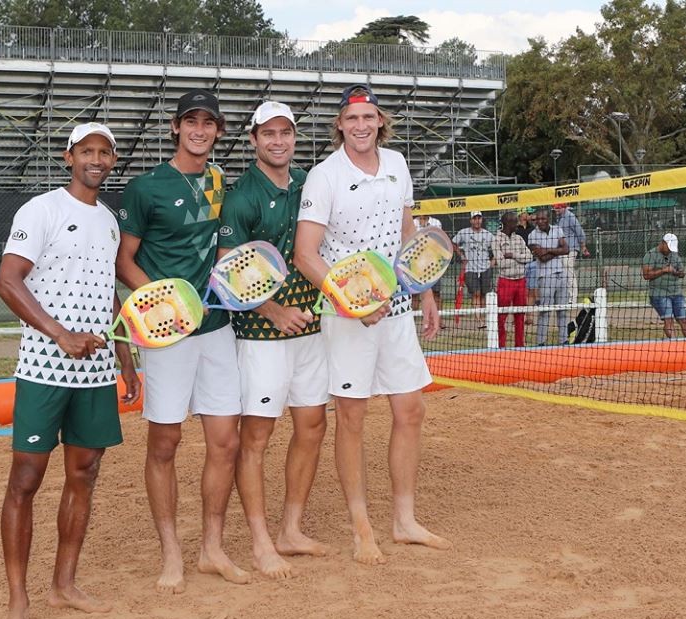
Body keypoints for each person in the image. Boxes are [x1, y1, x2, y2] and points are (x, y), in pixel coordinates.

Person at [0, 122, 141, 619]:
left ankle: (64, 585)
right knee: (26, 480)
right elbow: (7, 280)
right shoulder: (41, 209)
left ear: (113, 161)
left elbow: (109, 296)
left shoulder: (107, 221)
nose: (96, 160)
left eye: (105, 152)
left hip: (95, 372)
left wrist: (126, 360)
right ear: (68, 156)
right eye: (87, 151)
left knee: (85, 473)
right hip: (42, 367)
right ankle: (18, 601)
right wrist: (60, 334)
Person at [294, 83, 450, 565]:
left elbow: (408, 234)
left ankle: (404, 521)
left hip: (397, 308)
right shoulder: (324, 176)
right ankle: (361, 525)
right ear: (339, 125)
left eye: (369, 117)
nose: (361, 126)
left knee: (410, 411)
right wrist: (352, 301)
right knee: (353, 419)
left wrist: (424, 290)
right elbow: (305, 255)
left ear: (380, 122)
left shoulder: (398, 165)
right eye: (352, 118)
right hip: (347, 314)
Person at [117, 89, 249, 591]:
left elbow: (223, 252)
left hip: (216, 329)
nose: (200, 130)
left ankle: (211, 548)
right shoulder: (145, 187)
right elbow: (124, 260)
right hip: (167, 332)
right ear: (175, 127)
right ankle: (171, 552)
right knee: (165, 442)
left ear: (217, 131)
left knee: (225, 440)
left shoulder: (218, 182)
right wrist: (163, 303)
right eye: (190, 121)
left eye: (208, 123)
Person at [218, 101, 333, 580]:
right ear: (253, 140)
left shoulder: (311, 183)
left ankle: (291, 529)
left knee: (312, 425)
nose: (278, 141)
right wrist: (273, 310)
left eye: (285, 132)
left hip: (310, 327)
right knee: (257, 436)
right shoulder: (242, 195)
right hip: (262, 332)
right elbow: (227, 271)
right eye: (268, 133)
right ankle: (261, 541)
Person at [527, 207, 569, 345]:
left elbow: (566, 249)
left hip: (561, 274)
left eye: (543, 218)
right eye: (537, 219)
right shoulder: (532, 235)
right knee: (545, 311)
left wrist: (549, 250)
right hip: (545, 276)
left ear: (548, 219)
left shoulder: (557, 230)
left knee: (562, 310)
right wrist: (558, 250)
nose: (540, 221)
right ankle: (541, 343)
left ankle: (564, 341)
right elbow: (542, 258)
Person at [492, 210, 533, 347]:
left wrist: (514, 255)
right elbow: (501, 263)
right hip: (505, 281)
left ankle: (520, 346)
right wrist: (519, 259)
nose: (518, 223)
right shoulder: (496, 239)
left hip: (521, 281)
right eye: (515, 221)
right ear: (507, 223)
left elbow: (529, 257)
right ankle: (500, 346)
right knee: (501, 316)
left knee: (520, 315)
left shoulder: (519, 239)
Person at [641, 233, 686, 338]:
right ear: (663, 243)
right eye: (668, 247)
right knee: (668, 320)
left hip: (676, 292)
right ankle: (674, 346)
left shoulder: (674, 255)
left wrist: (677, 272)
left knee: (684, 319)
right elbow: (646, 275)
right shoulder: (650, 255)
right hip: (659, 294)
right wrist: (664, 270)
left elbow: (682, 272)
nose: (669, 250)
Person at [452, 210, 495, 326]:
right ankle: (479, 319)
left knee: (484, 294)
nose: (477, 220)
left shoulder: (488, 234)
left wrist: (493, 261)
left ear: (482, 220)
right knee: (476, 293)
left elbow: (497, 247)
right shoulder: (464, 233)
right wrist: (461, 255)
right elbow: (453, 243)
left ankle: (486, 318)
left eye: (479, 218)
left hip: (485, 267)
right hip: (470, 268)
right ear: (471, 220)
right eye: (474, 218)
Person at [554, 203, 588, 305]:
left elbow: (580, 232)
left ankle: (572, 299)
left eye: (558, 208)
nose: (556, 210)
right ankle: (565, 297)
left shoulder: (570, 216)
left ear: (564, 207)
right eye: (555, 208)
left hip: (571, 248)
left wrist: (583, 247)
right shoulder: (559, 218)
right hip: (562, 250)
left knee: (568, 270)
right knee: (562, 273)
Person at [412, 214, 444, 310]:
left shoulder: (436, 223)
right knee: (415, 293)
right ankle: (414, 320)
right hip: (416, 264)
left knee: (436, 293)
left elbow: (437, 240)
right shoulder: (413, 222)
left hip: (433, 263)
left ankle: (438, 320)